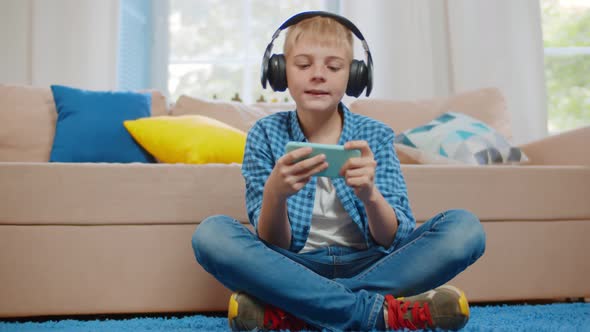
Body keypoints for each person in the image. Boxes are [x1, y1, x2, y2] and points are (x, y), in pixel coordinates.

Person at [192, 11, 486, 331]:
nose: (318, 74)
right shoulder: (264, 133)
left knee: (465, 229)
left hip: (374, 263)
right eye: (303, 65)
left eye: (333, 67)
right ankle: (378, 315)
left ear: (354, 76)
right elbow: (274, 244)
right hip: (293, 267)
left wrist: (371, 196)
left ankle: (300, 312)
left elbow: (393, 237)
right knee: (212, 235)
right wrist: (275, 195)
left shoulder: (376, 134)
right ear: (280, 72)